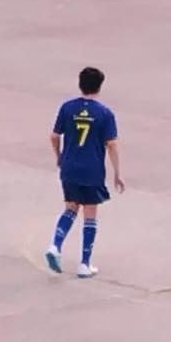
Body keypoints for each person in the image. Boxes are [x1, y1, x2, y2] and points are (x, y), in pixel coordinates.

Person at [45, 66, 123, 278]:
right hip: (92, 169)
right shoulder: (105, 113)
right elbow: (112, 144)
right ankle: (84, 263)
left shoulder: (67, 107)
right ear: (99, 86)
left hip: (69, 166)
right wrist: (117, 173)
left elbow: (54, 136)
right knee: (90, 213)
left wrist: (59, 156)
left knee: (70, 208)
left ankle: (55, 245)